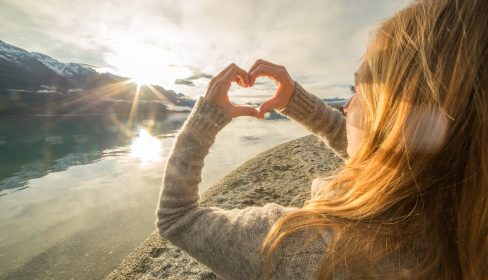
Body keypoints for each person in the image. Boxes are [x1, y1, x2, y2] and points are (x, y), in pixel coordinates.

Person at [156, 0, 488, 278]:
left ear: (396, 116)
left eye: (356, 88)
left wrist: (203, 121)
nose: (346, 106)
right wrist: (294, 102)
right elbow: (386, 158)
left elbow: (176, 217)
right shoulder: (464, 219)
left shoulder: (302, 249)